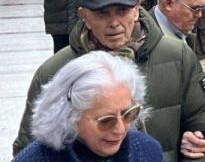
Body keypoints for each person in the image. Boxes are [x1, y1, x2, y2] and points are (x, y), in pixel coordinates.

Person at [14, 0, 205, 159]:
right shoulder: (56, 71)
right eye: (102, 14)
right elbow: (30, 146)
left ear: (137, 9)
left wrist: (195, 147)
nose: (114, 23)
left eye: (122, 11)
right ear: (84, 16)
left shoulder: (177, 56)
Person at [13, 52, 163, 162]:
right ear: (69, 116)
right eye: (106, 120)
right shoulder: (33, 159)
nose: (120, 129)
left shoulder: (147, 151)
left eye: (128, 114)